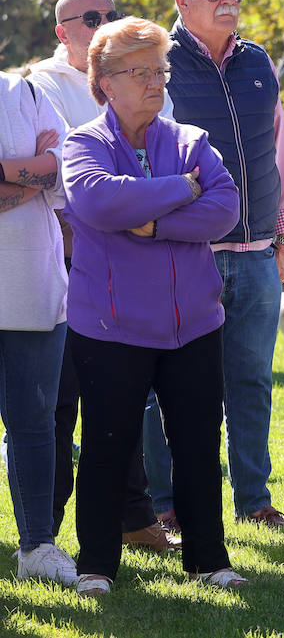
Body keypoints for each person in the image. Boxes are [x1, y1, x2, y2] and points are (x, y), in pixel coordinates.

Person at [62, 17, 245, 595]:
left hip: (193, 321)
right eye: (139, 71)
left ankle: (209, 560)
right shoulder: (84, 142)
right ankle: (95, 564)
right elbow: (95, 200)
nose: (155, 82)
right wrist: (182, 190)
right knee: (107, 445)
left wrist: (151, 224)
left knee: (197, 443)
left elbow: (225, 208)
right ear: (104, 83)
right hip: (110, 325)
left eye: (159, 70)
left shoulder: (190, 142)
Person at [156, 0, 284, 531]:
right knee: (175, 388)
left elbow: (279, 152)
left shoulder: (257, 61)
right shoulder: (158, 64)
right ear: (183, 1)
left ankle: (254, 499)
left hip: (259, 254)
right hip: (188, 255)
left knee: (251, 383)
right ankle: (166, 504)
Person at [28, 0, 179, 553]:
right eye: (91, 18)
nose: (105, 23)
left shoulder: (148, 79)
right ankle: (43, 531)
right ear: (62, 31)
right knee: (61, 403)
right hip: (64, 259)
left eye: (112, 15)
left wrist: (142, 199)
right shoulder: (41, 86)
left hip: (136, 260)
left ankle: (134, 517)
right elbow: (61, 175)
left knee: (123, 395)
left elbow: (176, 169)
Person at [0, 72, 78, 588]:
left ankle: (37, 546)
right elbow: (46, 170)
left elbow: (68, 169)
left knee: (35, 423)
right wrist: (31, 172)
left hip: (30, 283)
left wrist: (17, 176)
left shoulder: (22, 91)